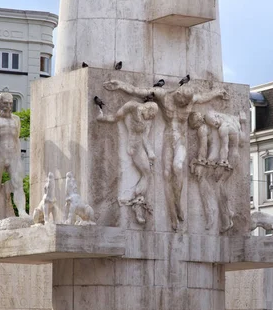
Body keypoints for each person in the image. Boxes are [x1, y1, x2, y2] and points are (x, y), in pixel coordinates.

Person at [104, 79, 228, 230]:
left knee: (178, 166)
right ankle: (172, 214)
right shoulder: (164, 96)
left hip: (181, 140)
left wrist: (217, 93)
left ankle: (178, 203)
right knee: (167, 173)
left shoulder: (190, 100)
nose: (184, 104)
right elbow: (138, 90)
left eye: (186, 103)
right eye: (182, 101)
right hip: (168, 138)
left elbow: (203, 97)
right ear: (177, 94)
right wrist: (121, 84)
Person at [97, 100, 159, 224]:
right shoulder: (132, 106)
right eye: (151, 115)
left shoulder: (146, 119)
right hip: (133, 147)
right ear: (148, 109)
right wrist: (102, 118)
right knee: (147, 174)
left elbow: (145, 137)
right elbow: (116, 116)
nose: (150, 118)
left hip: (140, 146)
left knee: (148, 173)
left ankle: (138, 201)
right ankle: (137, 204)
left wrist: (150, 152)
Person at [0, 92, 29, 225]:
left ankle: (21, 211)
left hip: (13, 156)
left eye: (10, 103)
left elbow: (16, 139)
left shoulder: (16, 119)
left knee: (18, 185)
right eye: (5, 103)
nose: (8, 106)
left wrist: (19, 158)